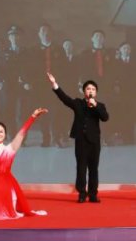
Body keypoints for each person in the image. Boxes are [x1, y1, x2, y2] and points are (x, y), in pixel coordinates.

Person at [46, 71, 109, 203]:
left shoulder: (100, 105)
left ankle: (93, 194)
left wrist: (95, 105)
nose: (90, 91)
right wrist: (54, 84)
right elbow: (65, 99)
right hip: (81, 141)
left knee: (93, 169)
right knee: (81, 167)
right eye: (88, 89)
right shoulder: (78, 103)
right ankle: (82, 193)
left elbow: (105, 117)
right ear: (84, 91)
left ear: (96, 93)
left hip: (94, 142)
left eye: (93, 89)